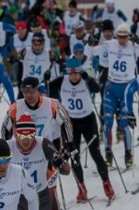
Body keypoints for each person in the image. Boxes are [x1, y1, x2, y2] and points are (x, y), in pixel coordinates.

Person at [48, 58, 115, 202]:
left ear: (80, 71)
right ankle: (81, 189)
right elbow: (47, 89)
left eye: (76, 73)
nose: (73, 76)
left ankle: (107, 184)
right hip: (71, 123)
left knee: (95, 153)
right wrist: (46, 79)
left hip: (88, 120)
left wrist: (89, 78)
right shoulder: (62, 80)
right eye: (71, 73)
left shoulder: (85, 80)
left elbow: (97, 89)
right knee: (74, 156)